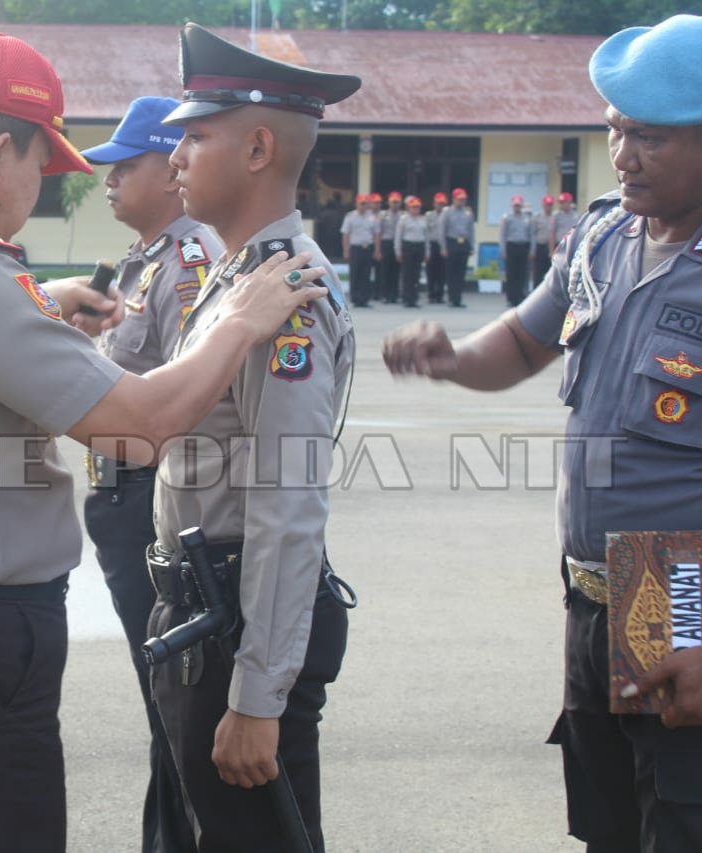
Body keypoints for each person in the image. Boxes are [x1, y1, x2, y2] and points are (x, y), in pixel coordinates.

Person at [0, 32, 331, 853]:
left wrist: (42, 304)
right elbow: (141, 425)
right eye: (38, 167)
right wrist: (235, 325)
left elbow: (289, 496)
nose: (40, 189)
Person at [382, 14, 702, 851]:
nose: (623, 155)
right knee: (610, 822)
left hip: (680, 590)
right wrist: (452, 359)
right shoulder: (602, 236)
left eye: (652, 139)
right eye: (615, 131)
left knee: (681, 812)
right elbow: (522, 342)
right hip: (601, 591)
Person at [149, 22, 359, 853]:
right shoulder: (239, 279)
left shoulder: (287, 296)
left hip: (238, 622)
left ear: (259, 147)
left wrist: (259, 696)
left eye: (196, 136)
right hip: (204, 611)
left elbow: (286, 501)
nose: (176, 157)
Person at [78, 95, 218, 853]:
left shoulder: (190, 262)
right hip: (118, 494)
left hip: (149, 498)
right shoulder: (145, 260)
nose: (108, 181)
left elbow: (185, 400)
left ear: (170, 170)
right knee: (161, 699)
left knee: (174, 700)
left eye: (124, 166)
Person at [440, 187, 475, 308]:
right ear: (454, 199)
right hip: (452, 243)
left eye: (464, 199)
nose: (462, 202)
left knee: (461, 273)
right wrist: (443, 248)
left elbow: (471, 230)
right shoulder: (447, 212)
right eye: (459, 199)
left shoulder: (468, 212)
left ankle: (458, 299)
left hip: (463, 243)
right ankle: (451, 298)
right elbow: (442, 231)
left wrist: (471, 246)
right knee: (451, 273)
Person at [340, 192, 377, 307]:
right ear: (356, 204)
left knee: (366, 274)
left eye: (365, 204)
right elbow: (346, 234)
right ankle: (355, 299)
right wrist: (346, 250)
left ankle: (365, 299)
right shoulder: (350, 216)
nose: (363, 206)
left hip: (368, 247)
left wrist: (376, 249)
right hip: (355, 248)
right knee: (355, 274)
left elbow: (376, 234)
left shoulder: (372, 217)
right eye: (361, 203)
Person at [499, 194, 532, 306]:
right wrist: (503, 251)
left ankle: (519, 297)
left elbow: (531, 235)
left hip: (523, 246)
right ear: (512, 206)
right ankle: (511, 298)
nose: (517, 207)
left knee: (521, 274)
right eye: (515, 205)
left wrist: (532, 250)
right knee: (511, 274)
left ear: (521, 206)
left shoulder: (526, 218)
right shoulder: (507, 218)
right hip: (511, 246)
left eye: (519, 205)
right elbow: (503, 235)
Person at [395, 195, 428, 308]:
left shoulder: (423, 220)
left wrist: (427, 252)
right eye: (413, 207)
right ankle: (407, 298)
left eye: (418, 207)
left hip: (419, 246)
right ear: (409, 208)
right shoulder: (404, 219)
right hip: (408, 246)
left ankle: (414, 298)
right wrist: (398, 251)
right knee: (407, 274)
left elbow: (426, 237)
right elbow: (398, 237)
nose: (416, 209)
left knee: (416, 274)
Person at [377, 191, 403, 303]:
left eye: (397, 202)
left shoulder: (403, 216)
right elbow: (378, 233)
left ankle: (394, 295)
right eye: (393, 202)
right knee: (385, 271)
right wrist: (378, 249)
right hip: (386, 243)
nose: (395, 204)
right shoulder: (383, 215)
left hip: (399, 244)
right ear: (389, 203)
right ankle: (385, 295)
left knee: (396, 271)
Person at [425, 191, 448, 303]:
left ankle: (440, 296)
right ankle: (431, 295)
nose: (441, 206)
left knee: (442, 272)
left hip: (443, 245)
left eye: (443, 204)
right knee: (431, 272)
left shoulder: (447, 215)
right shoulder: (429, 216)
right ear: (434, 204)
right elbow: (425, 232)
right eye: (439, 203)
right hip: (432, 244)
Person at [532, 193, 556, 289]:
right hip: (540, 246)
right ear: (543, 205)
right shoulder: (537, 218)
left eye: (550, 205)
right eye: (547, 205)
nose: (548, 207)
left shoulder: (555, 217)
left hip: (551, 247)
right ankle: (535, 292)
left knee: (549, 272)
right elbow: (533, 234)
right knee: (537, 273)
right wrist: (532, 250)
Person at [551, 190, 579, 256]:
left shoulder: (577, 215)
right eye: (560, 203)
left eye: (563, 202)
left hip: (573, 245)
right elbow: (552, 233)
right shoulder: (556, 216)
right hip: (560, 244)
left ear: (569, 202)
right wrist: (552, 250)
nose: (561, 205)